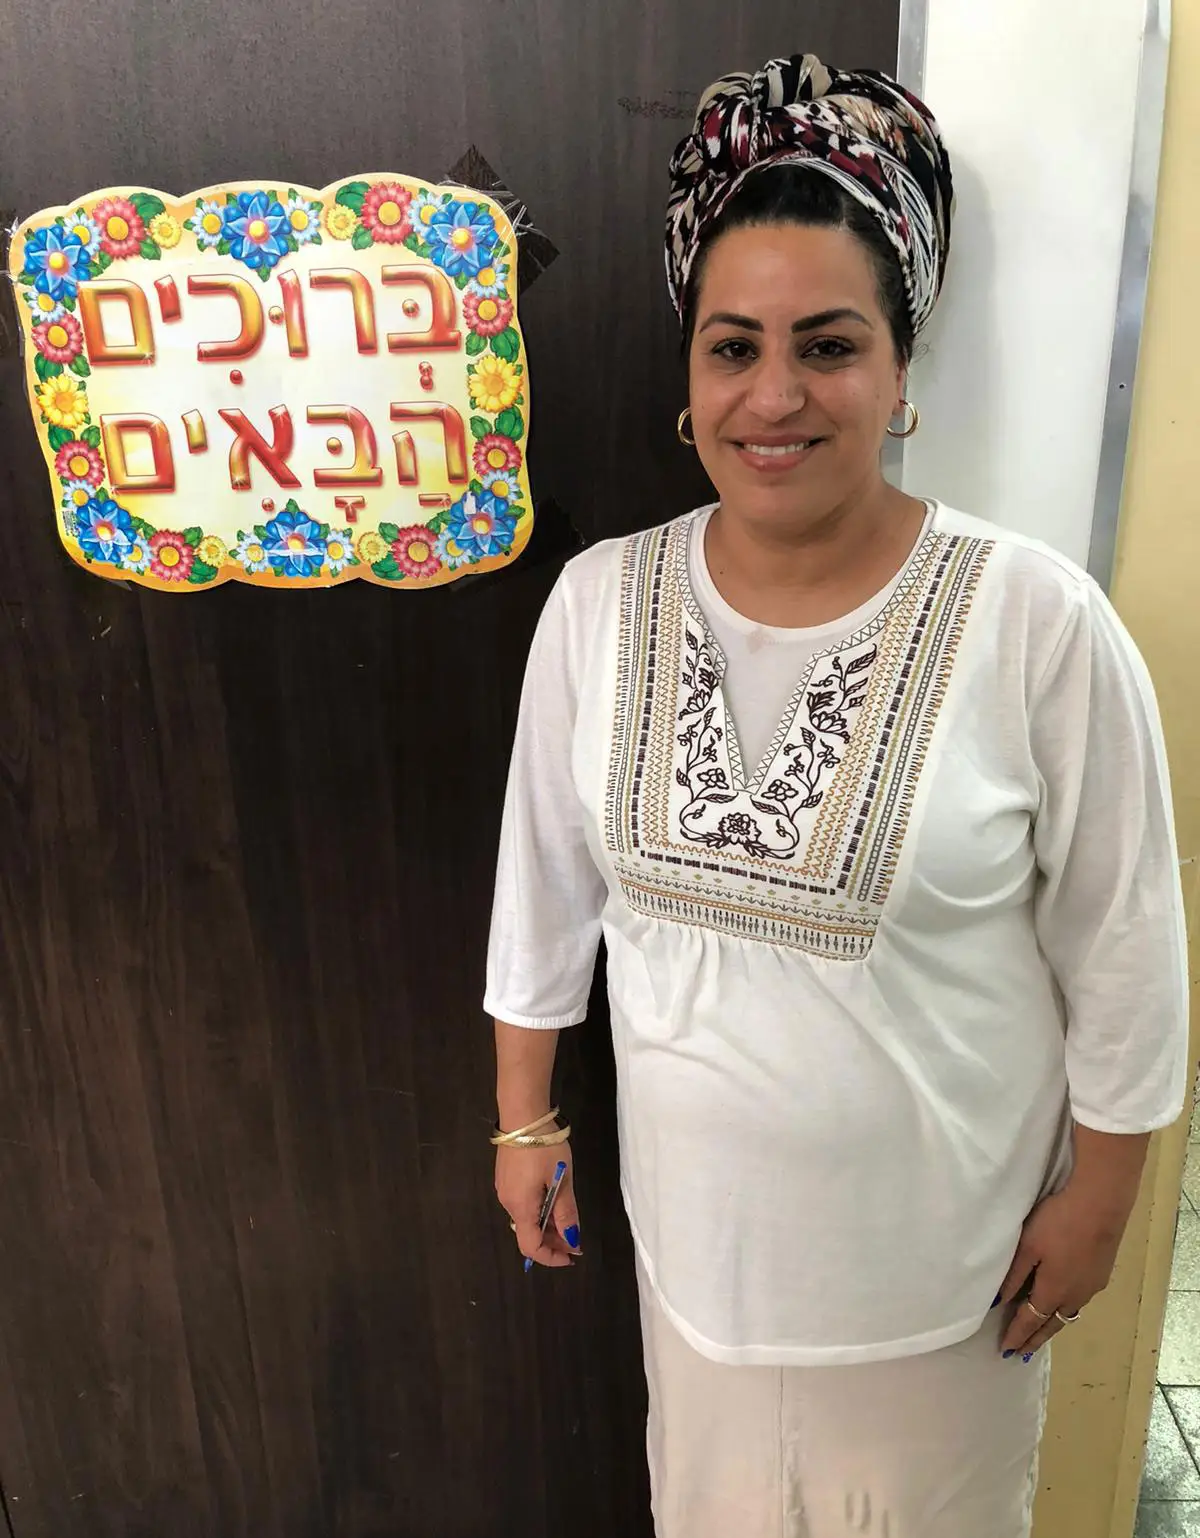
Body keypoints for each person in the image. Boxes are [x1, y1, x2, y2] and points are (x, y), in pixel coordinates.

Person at [486, 52, 1189, 1538]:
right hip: (697, 1278)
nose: (775, 394)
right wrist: (523, 1118)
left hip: (948, 1298)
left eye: (830, 344)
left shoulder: (1034, 624)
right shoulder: (599, 605)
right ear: (690, 380)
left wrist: (1105, 1209)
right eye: (732, 347)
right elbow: (543, 888)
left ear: (901, 370)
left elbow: (1128, 948)